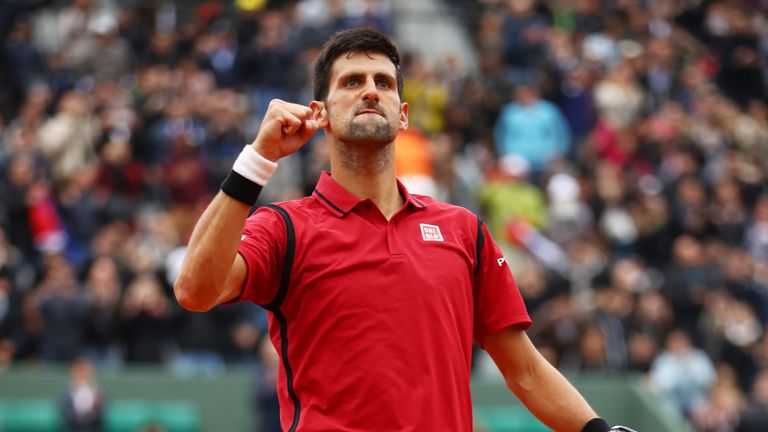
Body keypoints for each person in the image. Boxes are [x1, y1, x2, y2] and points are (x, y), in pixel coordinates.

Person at [174, 27, 635, 432]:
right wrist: (258, 159)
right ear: (321, 114)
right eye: (352, 82)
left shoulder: (462, 230)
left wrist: (599, 430)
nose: (370, 91)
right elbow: (195, 290)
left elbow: (526, 371)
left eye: (384, 83)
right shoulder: (284, 227)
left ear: (404, 113)